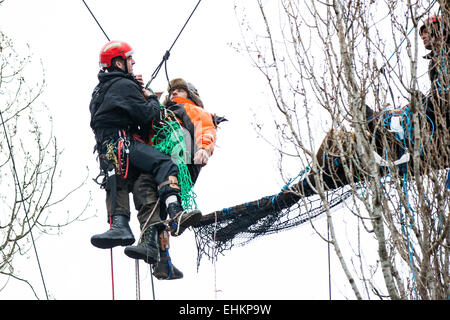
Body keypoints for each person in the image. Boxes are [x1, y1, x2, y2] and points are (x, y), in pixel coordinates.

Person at [296, 15, 449, 198]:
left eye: (427, 32)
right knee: (400, 118)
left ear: (441, 32)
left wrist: (420, 105)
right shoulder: (436, 60)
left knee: (402, 121)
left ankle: (374, 122)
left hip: (440, 119)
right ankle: (375, 124)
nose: (423, 36)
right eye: (422, 33)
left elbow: (441, 96)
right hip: (436, 116)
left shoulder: (444, 57)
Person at [89, 40, 201, 266]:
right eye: (129, 59)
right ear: (119, 63)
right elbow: (149, 117)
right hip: (123, 142)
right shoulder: (124, 85)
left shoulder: (100, 89)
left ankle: (123, 227)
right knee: (164, 164)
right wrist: (149, 96)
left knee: (125, 182)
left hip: (106, 150)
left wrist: (132, 85)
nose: (133, 62)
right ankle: (175, 211)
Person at [125, 78, 224, 279]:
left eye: (181, 90)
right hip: (158, 161)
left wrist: (204, 149)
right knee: (144, 190)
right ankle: (160, 256)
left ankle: (174, 219)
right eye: (173, 91)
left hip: (180, 161)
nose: (175, 94)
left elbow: (206, 127)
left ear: (190, 95)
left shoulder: (190, 110)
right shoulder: (162, 115)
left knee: (160, 195)